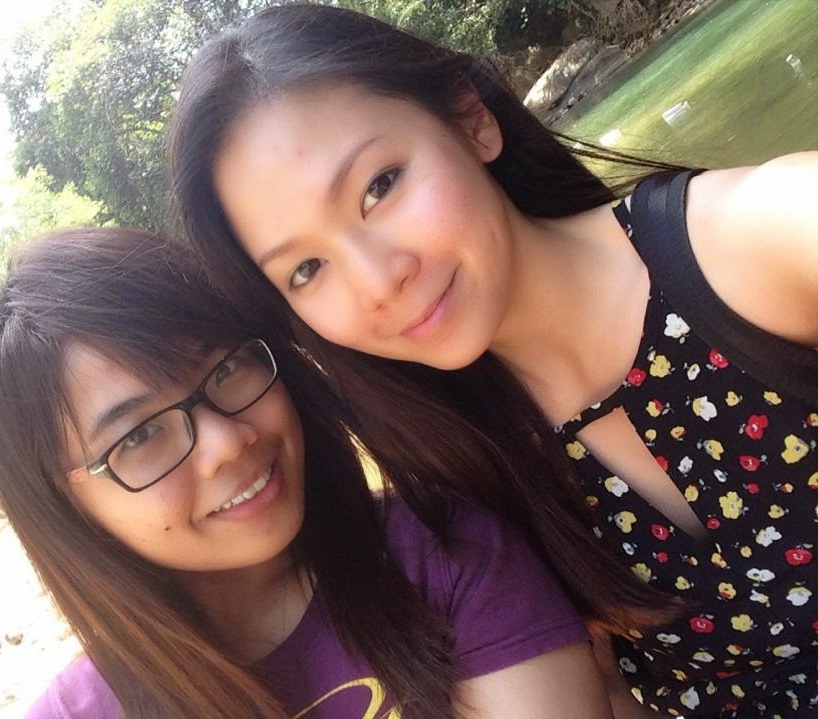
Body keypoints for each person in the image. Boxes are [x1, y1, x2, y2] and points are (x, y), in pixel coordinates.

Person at [164, 5, 818, 717]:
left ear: (471, 118)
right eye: (307, 269)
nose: (378, 281)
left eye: (380, 186)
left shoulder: (759, 244)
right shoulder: (466, 474)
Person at [0, 227, 611, 719]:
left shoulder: (446, 553)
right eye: (141, 435)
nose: (227, 442)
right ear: (66, 502)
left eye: (226, 369)